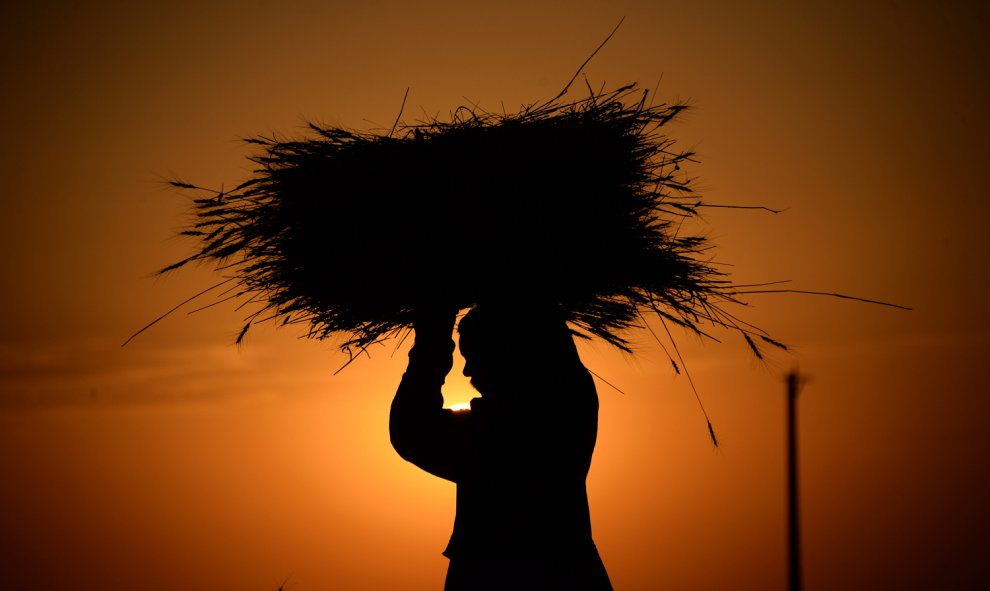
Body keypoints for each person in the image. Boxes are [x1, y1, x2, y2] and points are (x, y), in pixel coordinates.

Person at [390, 304, 613, 590]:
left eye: (474, 356)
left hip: (493, 572)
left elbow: (412, 430)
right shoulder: (569, 408)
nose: (467, 370)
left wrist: (432, 340)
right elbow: (558, 354)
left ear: (510, 355)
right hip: (571, 570)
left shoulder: (500, 433)